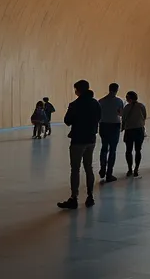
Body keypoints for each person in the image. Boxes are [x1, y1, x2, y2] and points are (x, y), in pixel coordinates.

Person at [58, 80, 101, 209]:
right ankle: (90, 196)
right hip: (91, 139)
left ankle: (74, 197)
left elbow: (67, 121)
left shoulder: (75, 104)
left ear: (78, 90)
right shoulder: (95, 104)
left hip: (78, 140)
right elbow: (99, 117)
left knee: (75, 169)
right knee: (89, 168)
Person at [97, 83, 124, 182]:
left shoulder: (101, 101)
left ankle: (102, 168)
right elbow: (121, 114)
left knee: (104, 148)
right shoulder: (119, 101)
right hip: (114, 125)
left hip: (104, 125)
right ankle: (109, 173)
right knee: (113, 150)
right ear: (117, 89)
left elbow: (98, 114)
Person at [121, 90, 147, 177]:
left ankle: (129, 169)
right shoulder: (141, 106)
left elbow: (123, 118)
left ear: (129, 98)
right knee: (138, 150)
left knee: (128, 150)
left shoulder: (126, 107)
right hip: (139, 130)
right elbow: (144, 116)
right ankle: (136, 168)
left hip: (129, 130)